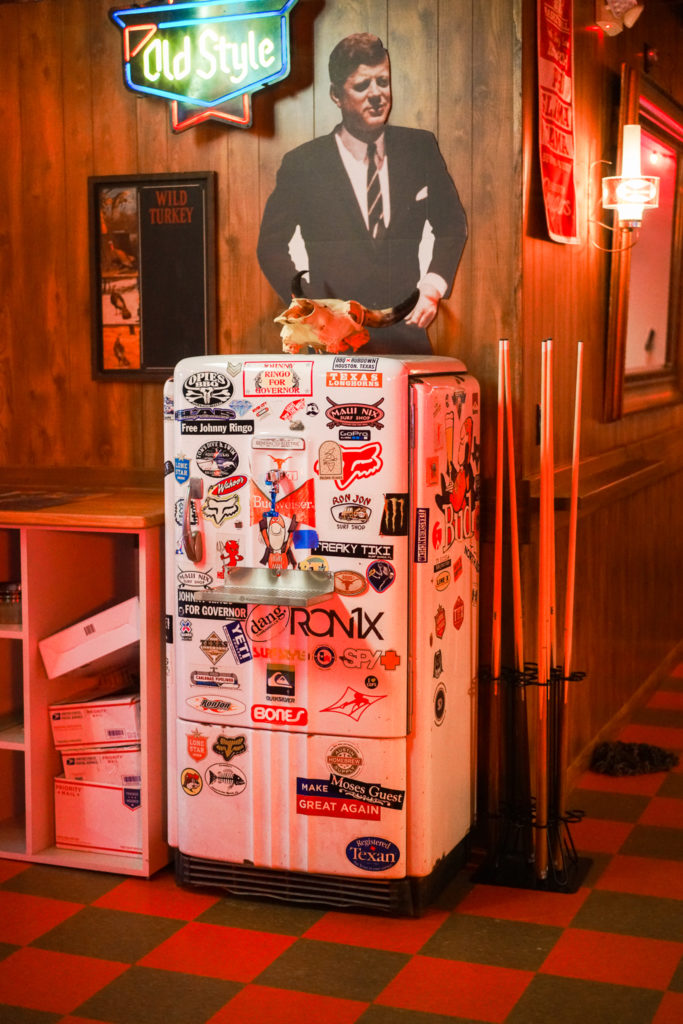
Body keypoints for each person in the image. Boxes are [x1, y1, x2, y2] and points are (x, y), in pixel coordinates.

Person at [257, 33, 467, 354]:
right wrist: (312, 309)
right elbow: (271, 245)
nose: (376, 95)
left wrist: (432, 288)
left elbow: (452, 224)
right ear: (336, 95)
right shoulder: (302, 163)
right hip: (332, 345)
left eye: (382, 81)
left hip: (406, 335)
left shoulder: (420, 148)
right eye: (361, 86)